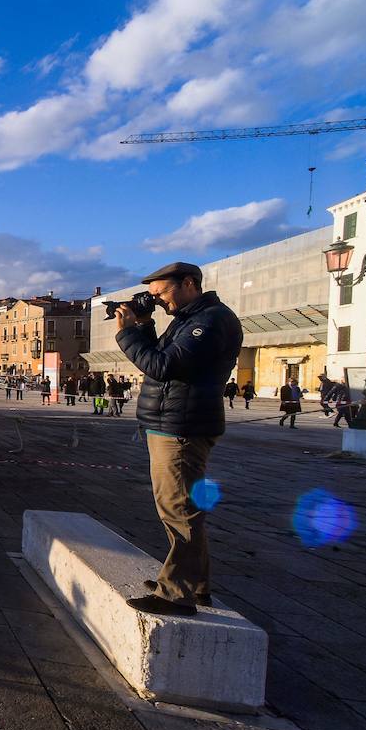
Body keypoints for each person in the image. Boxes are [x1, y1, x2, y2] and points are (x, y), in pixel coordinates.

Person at [115, 261, 242, 616]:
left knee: (180, 511)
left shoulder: (211, 320)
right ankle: (196, 586)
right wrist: (144, 325)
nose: (158, 301)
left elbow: (164, 366)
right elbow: (165, 359)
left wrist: (126, 334)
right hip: (171, 423)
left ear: (189, 283)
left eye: (161, 293)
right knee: (178, 509)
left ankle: (176, 594)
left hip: (183, 428)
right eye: (153, 297)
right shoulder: (189, 319)